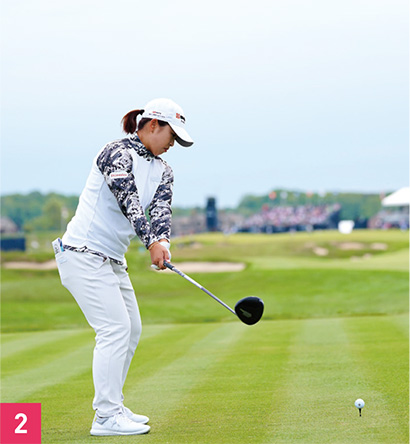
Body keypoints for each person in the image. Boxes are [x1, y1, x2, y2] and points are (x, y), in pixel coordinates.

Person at [52, 98, 194, 436]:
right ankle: (105, 416)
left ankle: (113, 403)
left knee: (131, 329)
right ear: (153, 125)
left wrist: (163, 242)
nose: (173, 143)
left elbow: (160, 210)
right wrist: (150, 243)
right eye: (172, 134)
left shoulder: (164, 170)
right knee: (114, 329)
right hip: (83, 253)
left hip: (112, 259)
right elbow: (128, 201)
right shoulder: (115, 152)